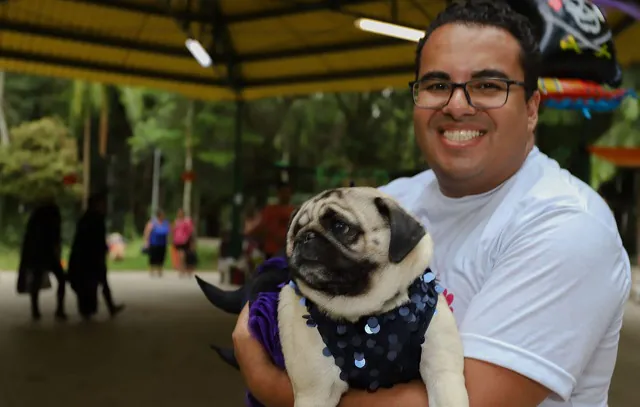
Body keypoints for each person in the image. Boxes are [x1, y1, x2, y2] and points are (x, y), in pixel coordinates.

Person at [230, 2, 631, 407]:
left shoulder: (567, 227)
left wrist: (271, 384)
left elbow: (469, 402)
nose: (457, 105)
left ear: (531, 108)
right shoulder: (393, 203)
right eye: (438, 85)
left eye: (488, 86)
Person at [67, 192, 125, 320]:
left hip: (85, 256)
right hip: (92, 257)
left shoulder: (85, 219)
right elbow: (96, 240)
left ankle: (93, 308)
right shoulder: (96, 219)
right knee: (97, 282)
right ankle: (99, 308)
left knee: (95, 282)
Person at [16, 198, 67, 321]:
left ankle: (35, 310)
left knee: (36, 280)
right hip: (47, 253)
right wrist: (57, 252)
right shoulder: (53, 216)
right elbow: (55, 237)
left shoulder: (35, 219)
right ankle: (59, 309)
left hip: (37, 253)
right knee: (61, 279)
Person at [245, 181, 296, 259]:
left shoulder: (295, 212)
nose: (285, 195)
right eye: (283, 192)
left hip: (289, 252)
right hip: (271, 252)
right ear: (278, 194)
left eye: (287, 192)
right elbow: (257, 229)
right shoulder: (269, 211)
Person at [143, 209, 170, 277]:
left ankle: (160, 271)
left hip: (163, 243)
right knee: (153, 257)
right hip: (154, 243)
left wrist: (169, 241)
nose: (163, 216)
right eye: (162, 215)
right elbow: (147, 232)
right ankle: (151, 270)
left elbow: (168, 233)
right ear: (159, 215)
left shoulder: (165, 222)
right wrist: (146, 241)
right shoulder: (153, 222)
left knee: (161, 257)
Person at [172, 208, 195, 278]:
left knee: (184, 255)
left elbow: (190, 231)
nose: (179, 214)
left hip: (185, 240)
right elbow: (174, 231)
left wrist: (191, 241)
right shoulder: (176, 221)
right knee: (180, 255)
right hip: (177, 240)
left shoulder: (187, 221)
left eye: (181, 213)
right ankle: (181, 269)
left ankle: (184, 268)